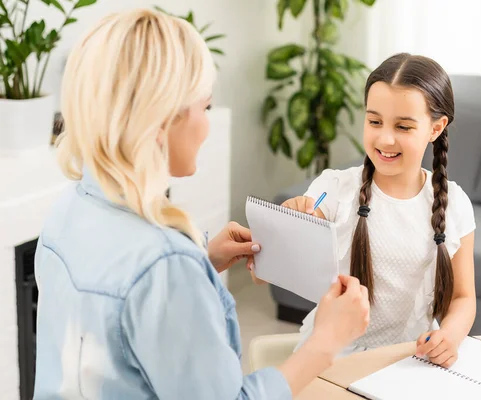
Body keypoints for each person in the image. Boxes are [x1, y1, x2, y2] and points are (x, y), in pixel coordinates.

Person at [33, 8, 369, 399]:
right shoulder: (166, 267)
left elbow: (117, 326)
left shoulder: (69, 207)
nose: (208, 125)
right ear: (161, 121)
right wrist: (324, 344)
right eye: (205, 107)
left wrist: (202, 260)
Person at [284, 53, 476, 368]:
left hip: (408, 361)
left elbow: (463, 299)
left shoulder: (455, 205)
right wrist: (295, 220)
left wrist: (450, 337)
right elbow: (290, 252)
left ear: (436, 128)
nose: (385, 138)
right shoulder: (333, 190)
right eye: (374, 121)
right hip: (331, 359)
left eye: (403, 126)